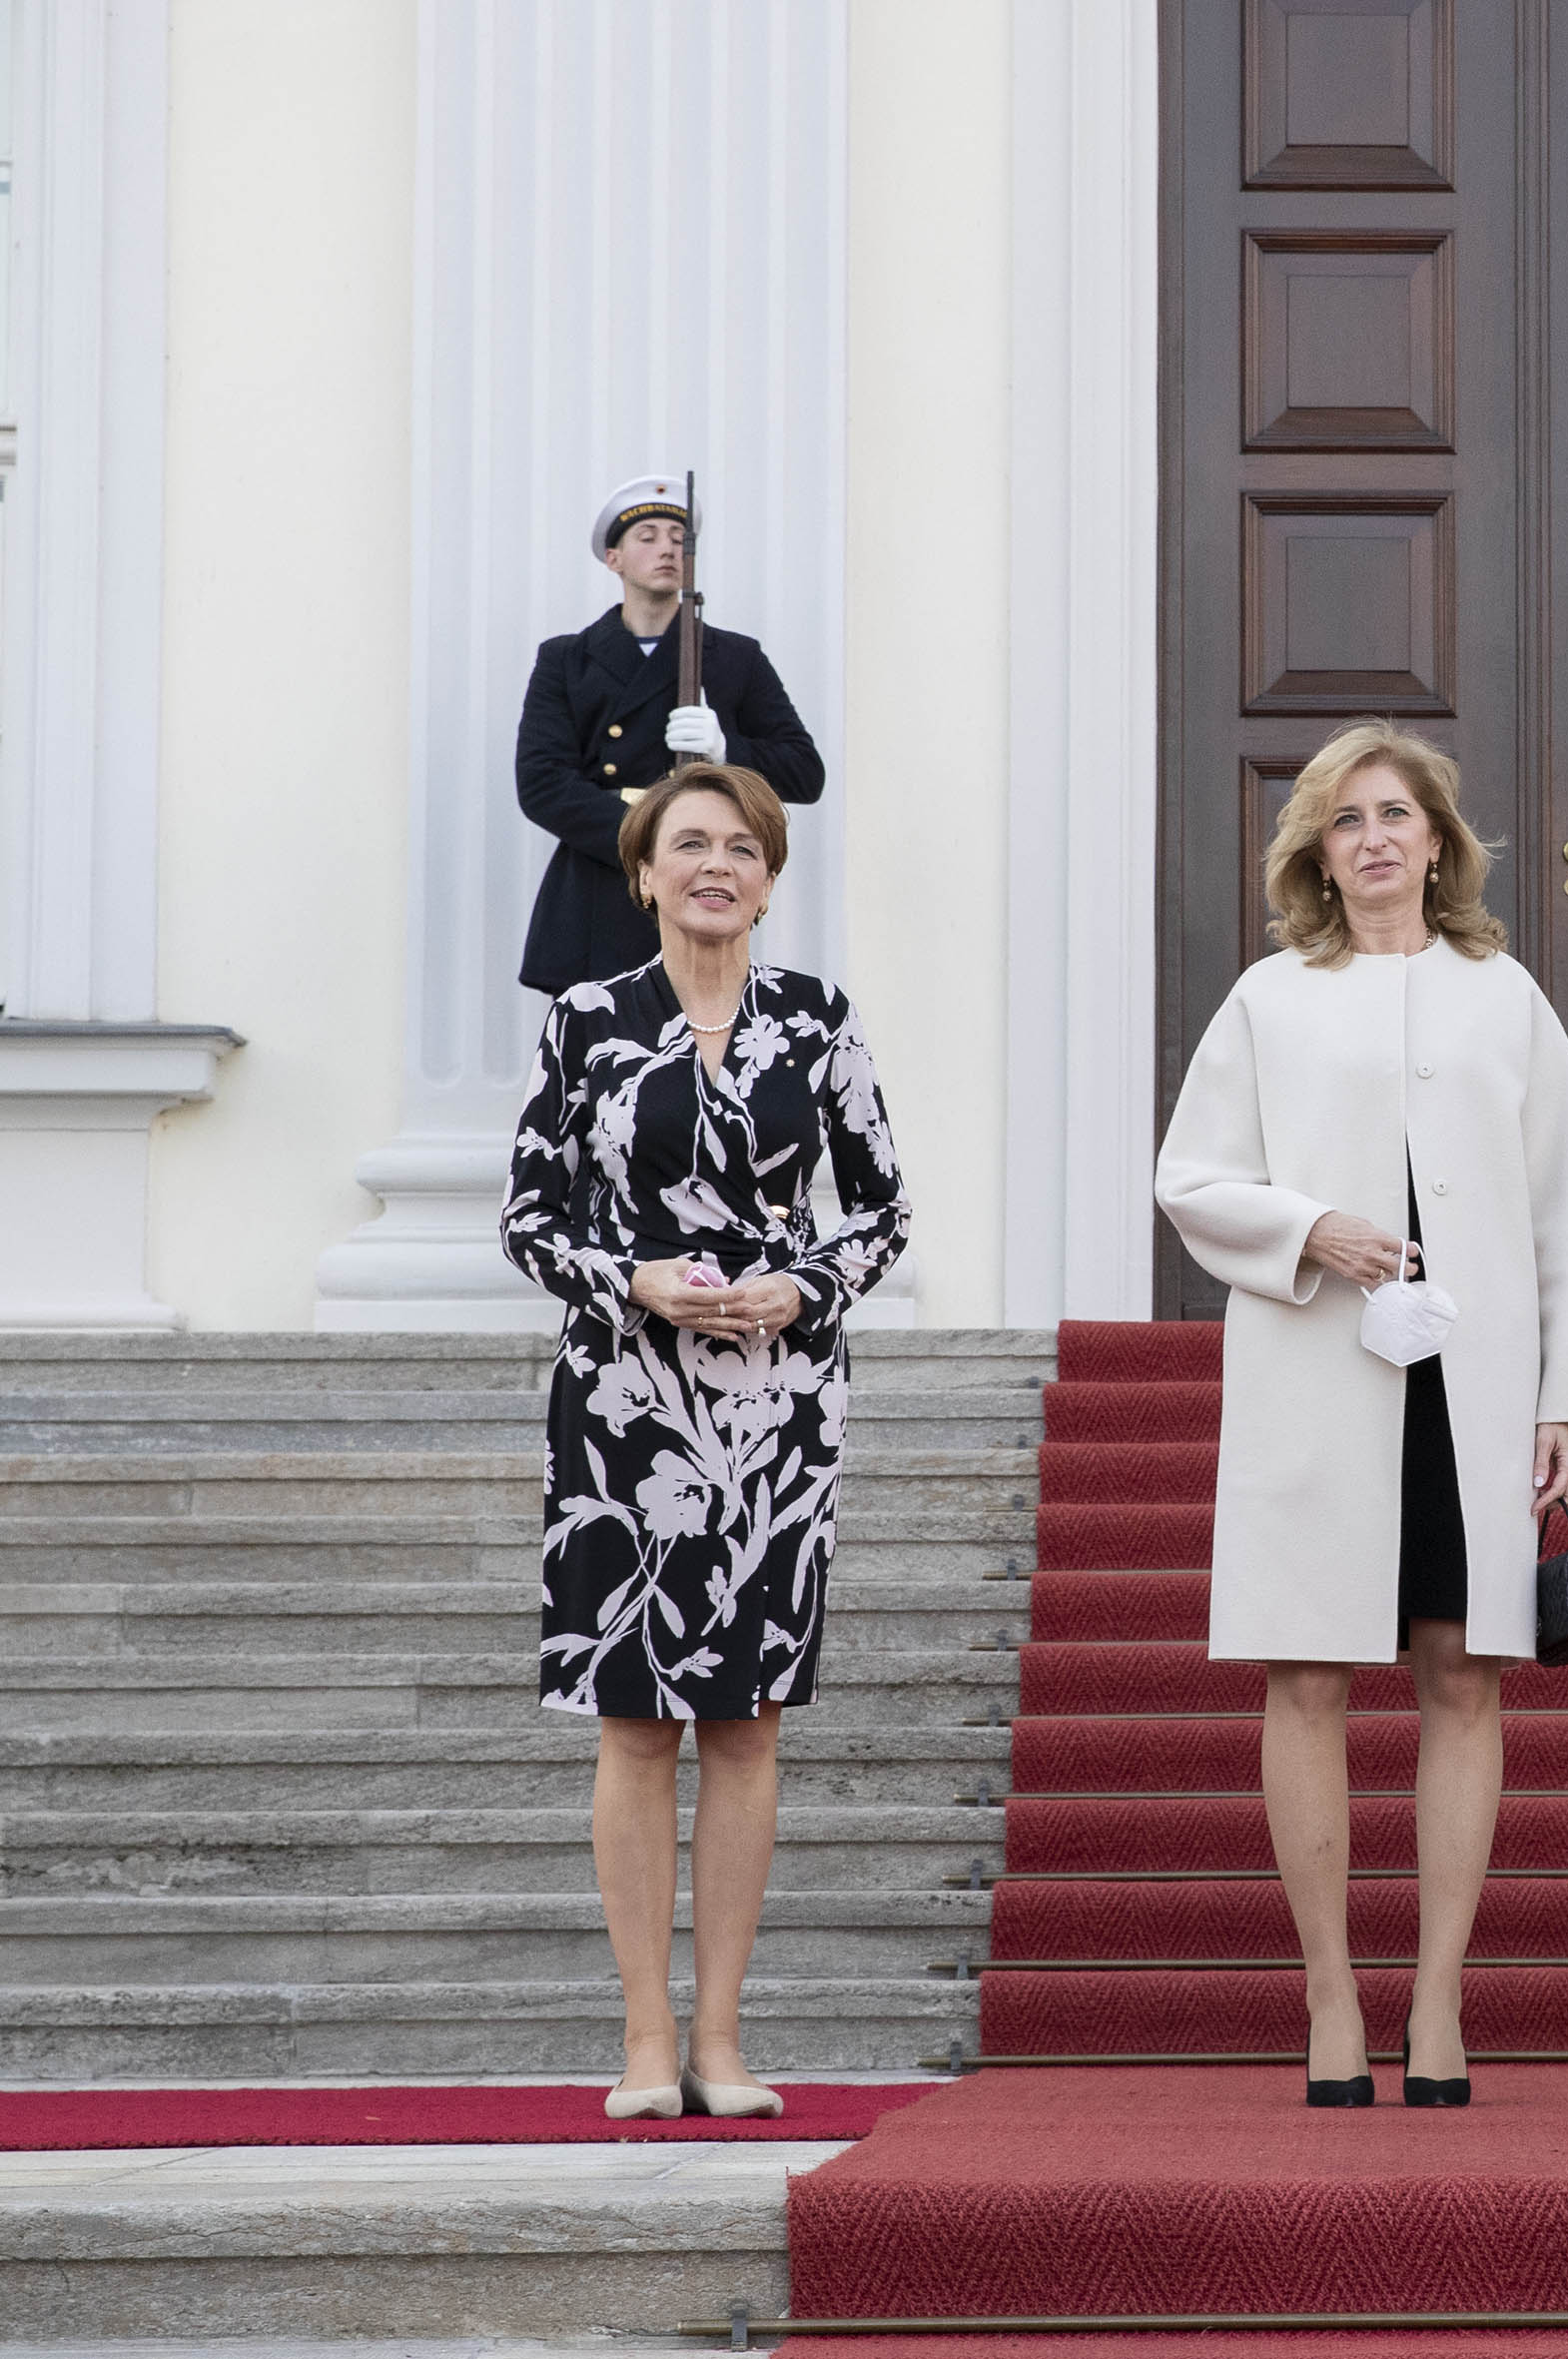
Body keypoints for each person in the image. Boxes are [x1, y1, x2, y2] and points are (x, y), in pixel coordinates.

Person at [1156, 720, 1568, 2110]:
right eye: (1345, 818)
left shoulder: (1504, 995)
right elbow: (1191, 1176)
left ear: (1435, 841)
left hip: (1468, 1380)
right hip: (1318, 1366)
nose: (1372, 837)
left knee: (1461, 1671)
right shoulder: (1270, 997)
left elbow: (1561, 1211)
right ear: (1316, 849)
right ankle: (1328, 1996)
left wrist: (1563, 1401)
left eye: (1395, 814)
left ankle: (1435, 2000)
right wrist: (1311, 1228)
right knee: (1304, 1670)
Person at [499, 762, 910, 2122]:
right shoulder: (589, 1021)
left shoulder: (817, 1018)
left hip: (779, 1405)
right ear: (645, 872)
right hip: (625, 1402)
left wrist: (806, 1284)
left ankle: (723, 2039)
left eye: (743, 846)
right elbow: (527, 1215)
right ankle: (641, 2037)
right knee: (635, 1722)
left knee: (743, 1723)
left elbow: (880, 1210)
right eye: (691, 845)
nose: (717, 865)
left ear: (769, 877)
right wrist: (633, 1278)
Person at [516, 475, 824, 998]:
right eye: (648, 536)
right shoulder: (567, 659)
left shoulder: (733, 657)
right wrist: (653, 843)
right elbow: (542, 784)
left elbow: (803, 771)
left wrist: (728, 751)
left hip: (700, 883)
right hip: (600, 881)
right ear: (613, 559)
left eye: (679, 539)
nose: (667, 549)